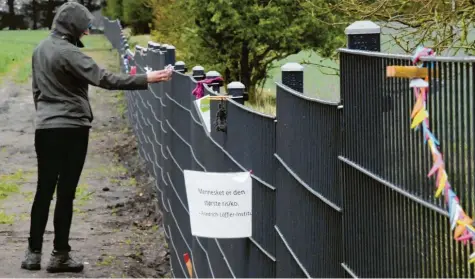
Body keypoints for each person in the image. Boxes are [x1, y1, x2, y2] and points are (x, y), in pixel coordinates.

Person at [21, 1, 173, 273]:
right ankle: (60, 255)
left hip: (45, 128)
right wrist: (145, 79)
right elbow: (106, 79)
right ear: (72, 26)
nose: (87, 32)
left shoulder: (39, 50)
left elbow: (36, 92)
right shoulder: (70, 53)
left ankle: (32, 254)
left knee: (43, 189)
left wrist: (45, 116)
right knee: (65, 192)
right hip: (73, 129)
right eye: (84, 27)